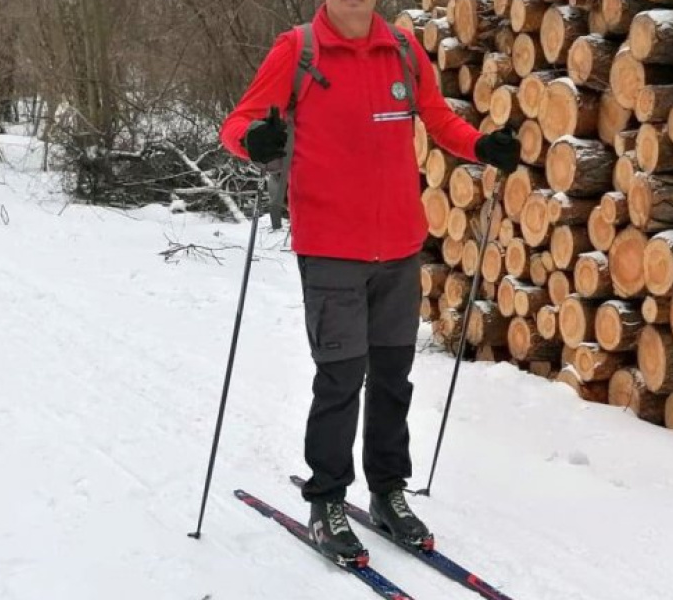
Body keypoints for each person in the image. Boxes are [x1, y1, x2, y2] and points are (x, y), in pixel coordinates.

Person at [220, 0, 519, 567]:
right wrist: (254, 141)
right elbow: (237, 124)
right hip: (331, 248)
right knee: (340, 379)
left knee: (392, 379)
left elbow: (438, 118)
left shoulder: (403, 50)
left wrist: (481, 147)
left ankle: (387, 492)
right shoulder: (300, 50)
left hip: (400, 247)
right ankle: (326, 501)